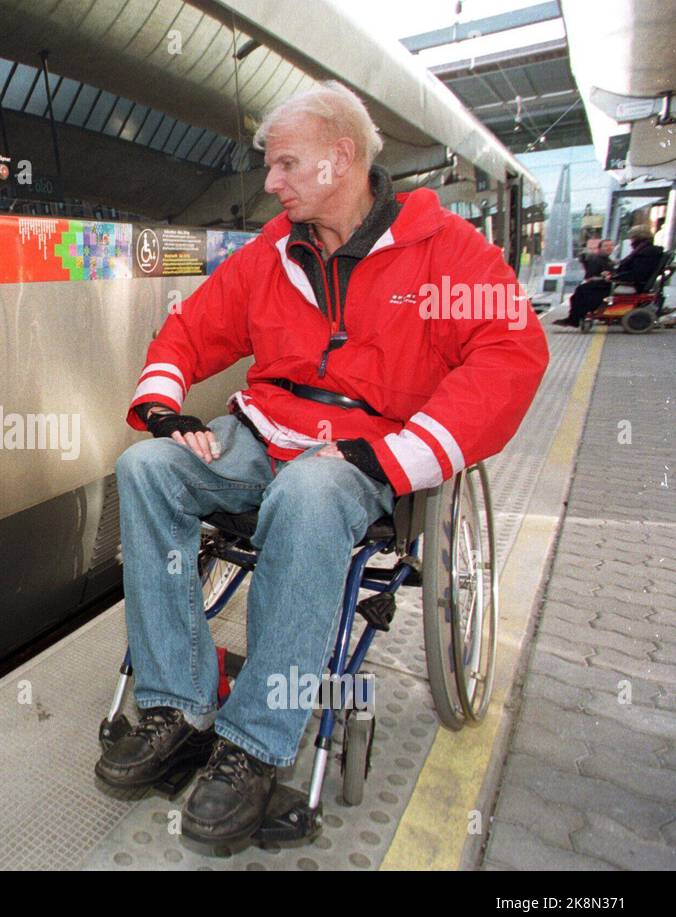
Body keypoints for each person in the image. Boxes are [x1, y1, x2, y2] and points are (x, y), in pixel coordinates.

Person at [95, 80, 549, 844]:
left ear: (342, 160)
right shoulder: (272, 251)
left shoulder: (446, 254)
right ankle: (179, 703)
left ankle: (254, 745)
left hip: (366, 454)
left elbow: (513, 352)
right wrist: (168, 410)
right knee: (145, 469)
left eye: (285, 166)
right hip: (263, 436)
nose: (269, 183)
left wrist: (403, 451)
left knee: (309, 495)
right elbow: (188, 331)